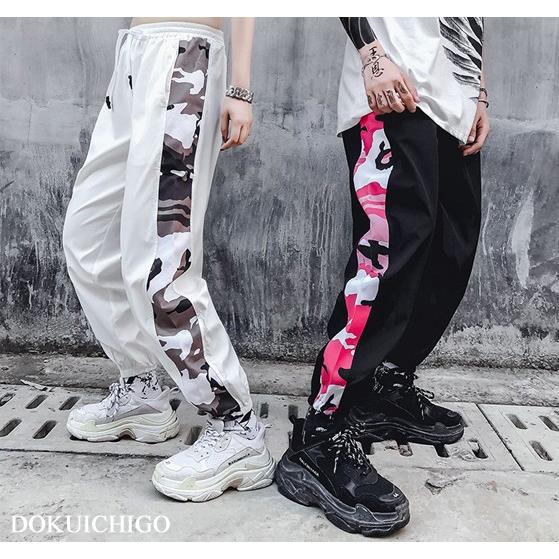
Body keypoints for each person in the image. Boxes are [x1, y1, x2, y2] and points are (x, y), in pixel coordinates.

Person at [276, 17, 489, 536]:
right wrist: (371, 53)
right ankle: (321, 433)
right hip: (394, 79)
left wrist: (477, 87)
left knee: (451, 250)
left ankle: (383, 388)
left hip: (454, 93)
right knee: (386, 260)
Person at [62, 17, 275, 502]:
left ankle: (236, 425)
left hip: (184, 54)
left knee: (162, 261)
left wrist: (240, 87)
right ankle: (142, 389)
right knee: (87, 237)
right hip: (135, 53)